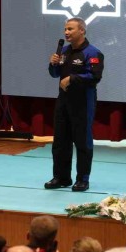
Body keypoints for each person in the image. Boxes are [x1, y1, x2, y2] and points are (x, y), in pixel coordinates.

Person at [44, 17, 104, 192]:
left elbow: (94, 77)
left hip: (83, 102)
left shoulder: (93, 53)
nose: (66, 32)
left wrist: (72, 78)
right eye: (65, 29)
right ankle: (62, 177)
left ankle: (82, 179)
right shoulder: (63, 51)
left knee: (82, 142)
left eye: (70, 29)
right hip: (63, 101)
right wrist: (53, 64)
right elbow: (55, 74)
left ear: (82, 31)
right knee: (60, 141)